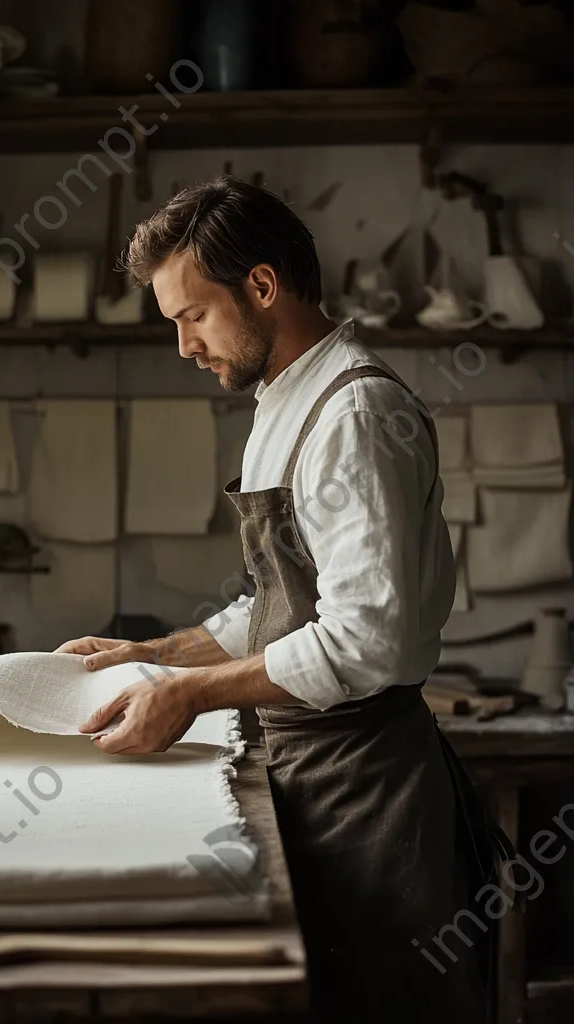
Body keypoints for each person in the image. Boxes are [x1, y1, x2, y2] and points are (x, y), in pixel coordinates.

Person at [56, 177, 503, 1023]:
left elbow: (363, 641)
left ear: (262, 286)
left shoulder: (355, 413)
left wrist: (187, 694)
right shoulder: (284, 402)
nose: (185, 347)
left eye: (193, 316)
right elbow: (275, 607)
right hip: (313, 771)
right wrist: (151, 655)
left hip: (367, 785)